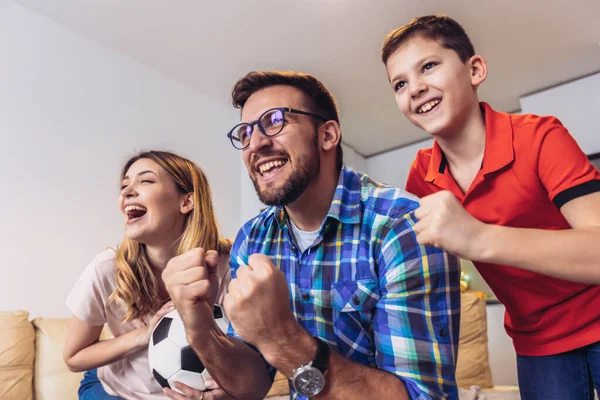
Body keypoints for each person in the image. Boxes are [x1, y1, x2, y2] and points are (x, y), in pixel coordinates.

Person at [163, 71, 461, 400]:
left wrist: (284, 339)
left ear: (328, 135)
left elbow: (423, 396)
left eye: (274, 120)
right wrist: (199, 325)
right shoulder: (253, 238)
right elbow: (252, 386)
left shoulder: (401, 226)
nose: (256, 144)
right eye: (245, 133)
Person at [381, 15, 600, 399]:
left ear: (475, 69)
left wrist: (479, 237)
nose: (415, 88)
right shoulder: (421, 175)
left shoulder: (540, 136)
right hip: (537, 344)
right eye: (400, 84)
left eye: (428, 66)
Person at [63, 150, 231, 400]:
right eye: (124, 185)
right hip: (116, 390)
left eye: (146, 181)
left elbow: (250, 356)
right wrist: (145, 334)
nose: (126, 191)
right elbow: (73, 358)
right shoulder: (107, 268)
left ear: (186, 202)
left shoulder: (225, 266)